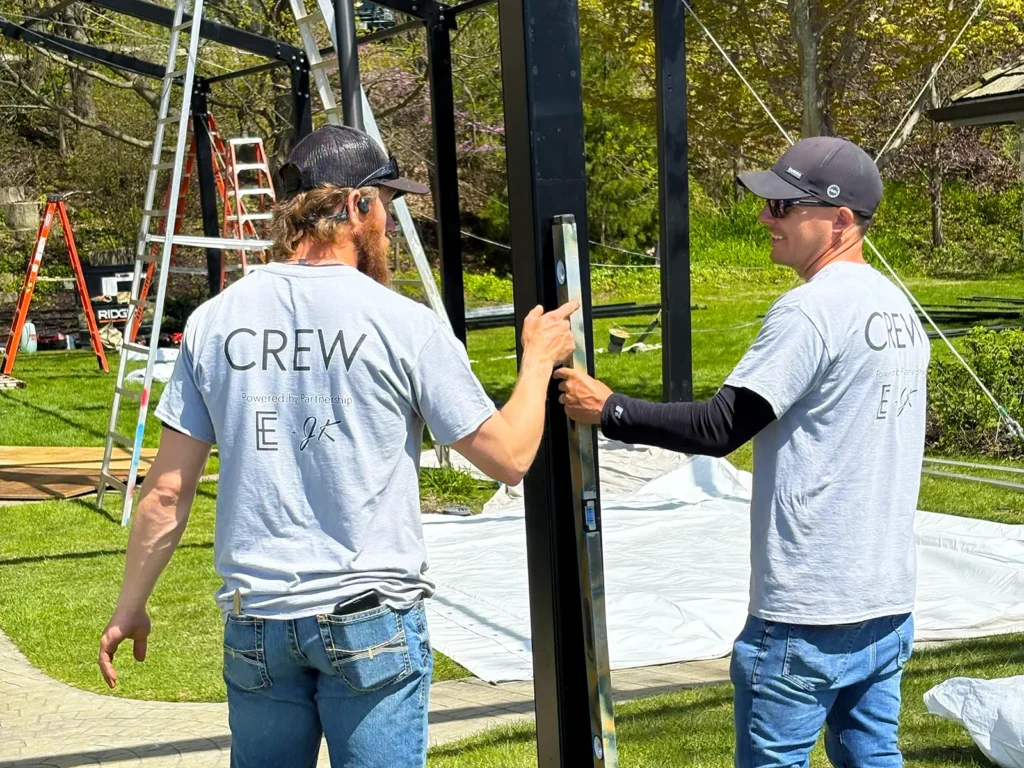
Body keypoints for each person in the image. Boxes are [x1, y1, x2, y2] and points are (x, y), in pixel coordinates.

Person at [97, 124, 578, 768]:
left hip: (258, 623)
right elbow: (510, 456)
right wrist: (538, 361)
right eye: (385, 204)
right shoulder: (403, 323)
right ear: (355, 207)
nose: (387, 222)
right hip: (370, 617)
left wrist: (131, 605)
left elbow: (165, 491)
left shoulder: (215, 321)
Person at [557, 137, 930, 768]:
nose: (765, 217)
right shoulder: (898, 309)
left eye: (783, 205)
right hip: (886, 603)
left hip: (808, 609)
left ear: (840, 220)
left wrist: (612, 409)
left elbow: (721, 426)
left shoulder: (812, 310)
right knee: (874, 757)